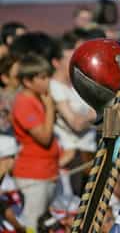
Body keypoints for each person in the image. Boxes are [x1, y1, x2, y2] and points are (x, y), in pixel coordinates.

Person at [11, 54, 60, 231]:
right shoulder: (24, 103)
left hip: (47, 171)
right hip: (33, 175)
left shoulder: (39, 98)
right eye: (42, 78)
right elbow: (45, 138)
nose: (48, 82)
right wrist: (50, 108)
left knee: (44, 223)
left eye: (48, 76)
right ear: (27, 81)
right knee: (32, 223)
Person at [49, 33, 97, 196]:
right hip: (73, 157)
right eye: (70, 60)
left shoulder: (77, 84)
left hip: (90, 151)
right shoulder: (54, 87)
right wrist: (94, 113)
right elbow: (75, 123)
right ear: (56, 62)